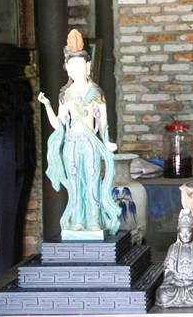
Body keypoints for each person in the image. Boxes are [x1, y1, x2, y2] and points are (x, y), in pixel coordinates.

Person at [38, 29, 121, 236]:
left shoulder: (96, 93)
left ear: (88, 67)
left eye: (80, 66)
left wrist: (107, 141)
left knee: (92, 178)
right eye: (72, 66)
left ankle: (94, 218)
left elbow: (104, 123)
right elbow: (58, 125)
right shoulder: (65, 93)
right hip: (72, 143)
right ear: (67, 69)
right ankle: (77, 218)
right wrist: (47, 106)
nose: (76, 70)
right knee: (74, 182)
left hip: (90, 142)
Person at [155, 209, 193, 308]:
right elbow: (168, 269)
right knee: (162, 294)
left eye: (188, 232)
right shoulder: (173, 248)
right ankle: (182, 297)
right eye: (182, 232)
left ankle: (189, 297)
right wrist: (173, 279)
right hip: (176, 283)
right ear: (178, 233)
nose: (185, 236)